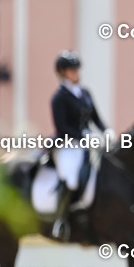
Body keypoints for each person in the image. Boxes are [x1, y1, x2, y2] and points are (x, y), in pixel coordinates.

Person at [50, 50, 109, 241]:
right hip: (68, 145)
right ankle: (60, 221)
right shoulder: (59, 97)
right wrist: (84, 137)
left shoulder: (85, 93)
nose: (75, 73)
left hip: (86, 143)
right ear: (62, 72)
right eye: (71, 70)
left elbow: (96, 118)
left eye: (76, 69)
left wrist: (106, 131)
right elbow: (62, 128)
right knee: (72, 180)